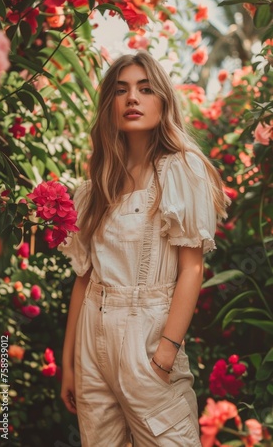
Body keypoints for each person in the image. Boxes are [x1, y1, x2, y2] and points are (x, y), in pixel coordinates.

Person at [58, 51, 229, 447]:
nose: (132, 98)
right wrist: (69, 364)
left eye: (145, 88)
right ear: (109, 105)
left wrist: (165, 352)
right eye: (121, 91)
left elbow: (191, 269)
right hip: (91, 343)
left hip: (148, 339)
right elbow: (84, 281)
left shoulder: (181, 169)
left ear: (163, 100)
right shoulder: (96, 186)